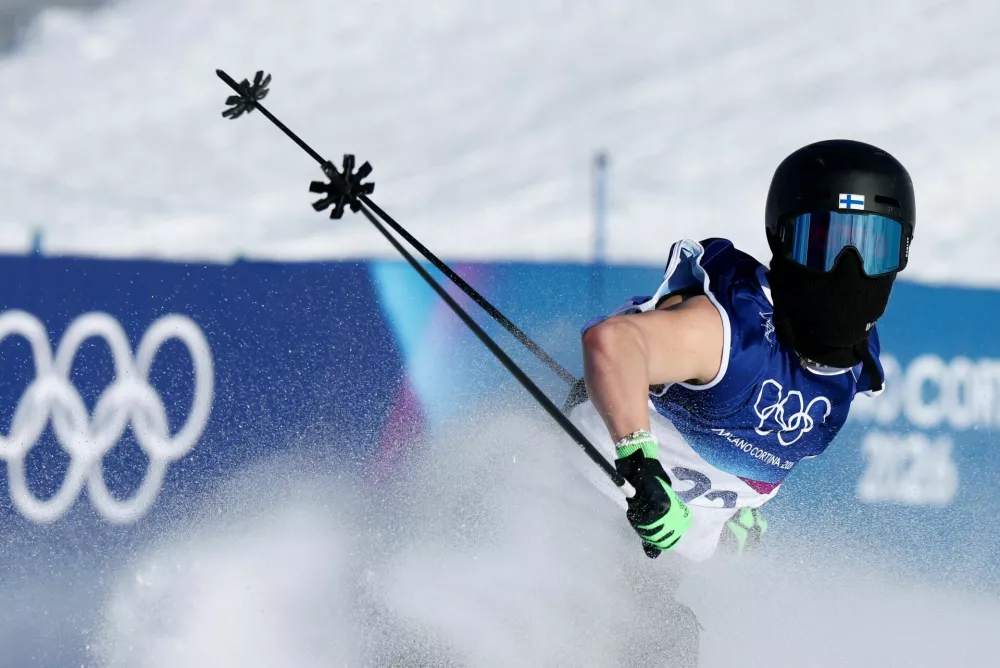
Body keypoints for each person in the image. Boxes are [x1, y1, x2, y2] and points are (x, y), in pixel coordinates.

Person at [567, 139, 916, 561]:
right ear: (781, 238)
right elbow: (612, 342)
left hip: (672, 550)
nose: (849, 268)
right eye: (821, 243)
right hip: (581, 503)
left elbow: (753, 431)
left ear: (902, 253)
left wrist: (744, 506)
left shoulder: (854, 364)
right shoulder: (734, 333)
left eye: (874, 247)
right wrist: (640, 464)